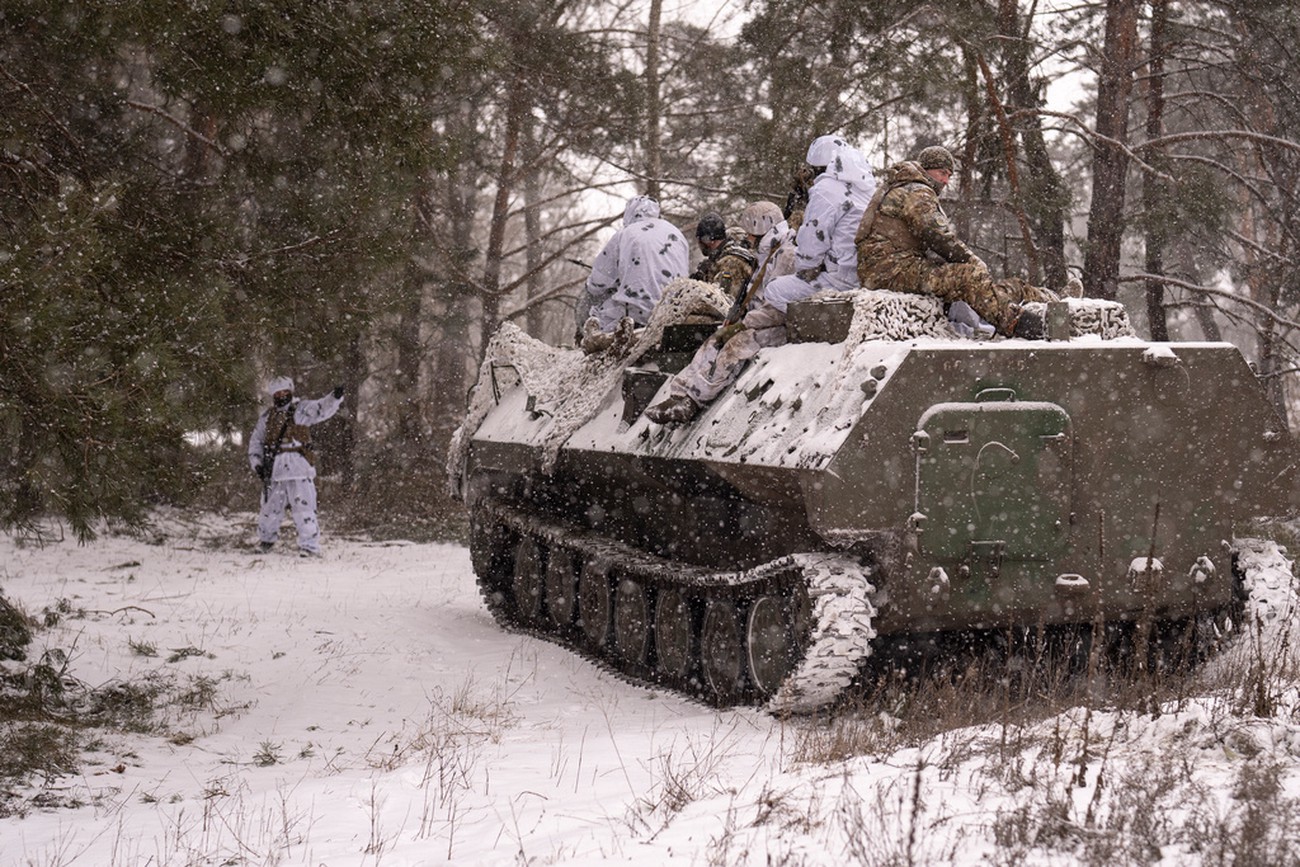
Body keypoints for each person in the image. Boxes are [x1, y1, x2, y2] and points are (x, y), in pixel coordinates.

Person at [855, 145, 1054, 339]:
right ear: (926, 169)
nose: (945, 180)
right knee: (969, 276)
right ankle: (1019, 324)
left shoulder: (905, 187)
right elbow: (936, 234)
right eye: (942, 173)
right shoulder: (917, 191)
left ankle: (1048, 297)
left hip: (894, 268)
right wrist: (971, 260)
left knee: (985, 286)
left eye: (949, 175)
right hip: (891, 271)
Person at [644, 200, 801, 426]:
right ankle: (678, 396)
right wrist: (735, 320)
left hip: (777, 325)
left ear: (763, 230)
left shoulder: (786, 256)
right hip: (758, 320)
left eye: (751, 233)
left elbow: (777, 309)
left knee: (732, 349)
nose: (747, 238)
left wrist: (745, 323)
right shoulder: (768, 254)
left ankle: (692, 402)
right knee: (712, 342)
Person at [761, 134, 877, 316]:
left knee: (774, 289)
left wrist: (803, 269)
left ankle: (822, 326)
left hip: (840, 279)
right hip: (865, 274)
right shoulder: (866, 187)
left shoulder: (825, 190)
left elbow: (811, 249)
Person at [248, 376, 344, 557]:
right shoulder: (266, 418)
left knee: (304, 509)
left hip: (299, 468)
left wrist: (335, 397)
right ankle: (266, 541)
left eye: (285, 392)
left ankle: (309, 546)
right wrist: (257, 464)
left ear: (291, 392)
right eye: (278, 393)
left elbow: (322, 408)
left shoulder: (302, 410)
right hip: (275, 470)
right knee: (269, 509)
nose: (282, 395)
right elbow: (256, 442)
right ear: (273, 395)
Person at [575, 194, 689, 339]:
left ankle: (588, 344)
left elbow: (597, 283)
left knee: (590, 305)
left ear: (629, 213)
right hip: (673, 312)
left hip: (638, 317)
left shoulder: (624, 234)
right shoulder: (677, 233)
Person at [689, 211, 758, 301]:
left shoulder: (730, 263)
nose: (699, 244)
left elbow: (724, 302)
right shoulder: (719, 258)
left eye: (700, 240)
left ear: (707, 240)